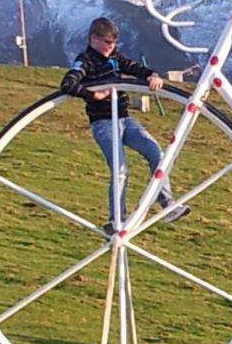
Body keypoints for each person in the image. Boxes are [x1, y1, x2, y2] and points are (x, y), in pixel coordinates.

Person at [60, 17, 189, 233]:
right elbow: (68, 84)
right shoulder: (85, 61)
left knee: (156, 151)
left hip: (124, 118)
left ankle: (167, 203)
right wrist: (94, 95)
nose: (111, 48)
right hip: (103, 123)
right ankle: (116, 219)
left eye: (114, 44)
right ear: (93, 39)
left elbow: (133, 67)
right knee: (120, 170)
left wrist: (151, 75)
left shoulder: (115, 57)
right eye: (107, 43)